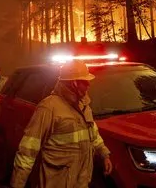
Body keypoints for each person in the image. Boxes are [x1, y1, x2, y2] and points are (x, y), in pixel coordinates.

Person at [9, 60, 113, 188]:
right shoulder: (48, 108)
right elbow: (28, 150)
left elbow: (93, 133)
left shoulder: (84, 105)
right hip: (56, 182)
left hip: (80, 182)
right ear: (73, 83)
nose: (88, 85)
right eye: (84, 82)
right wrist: (18, 184)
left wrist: (104, 154)